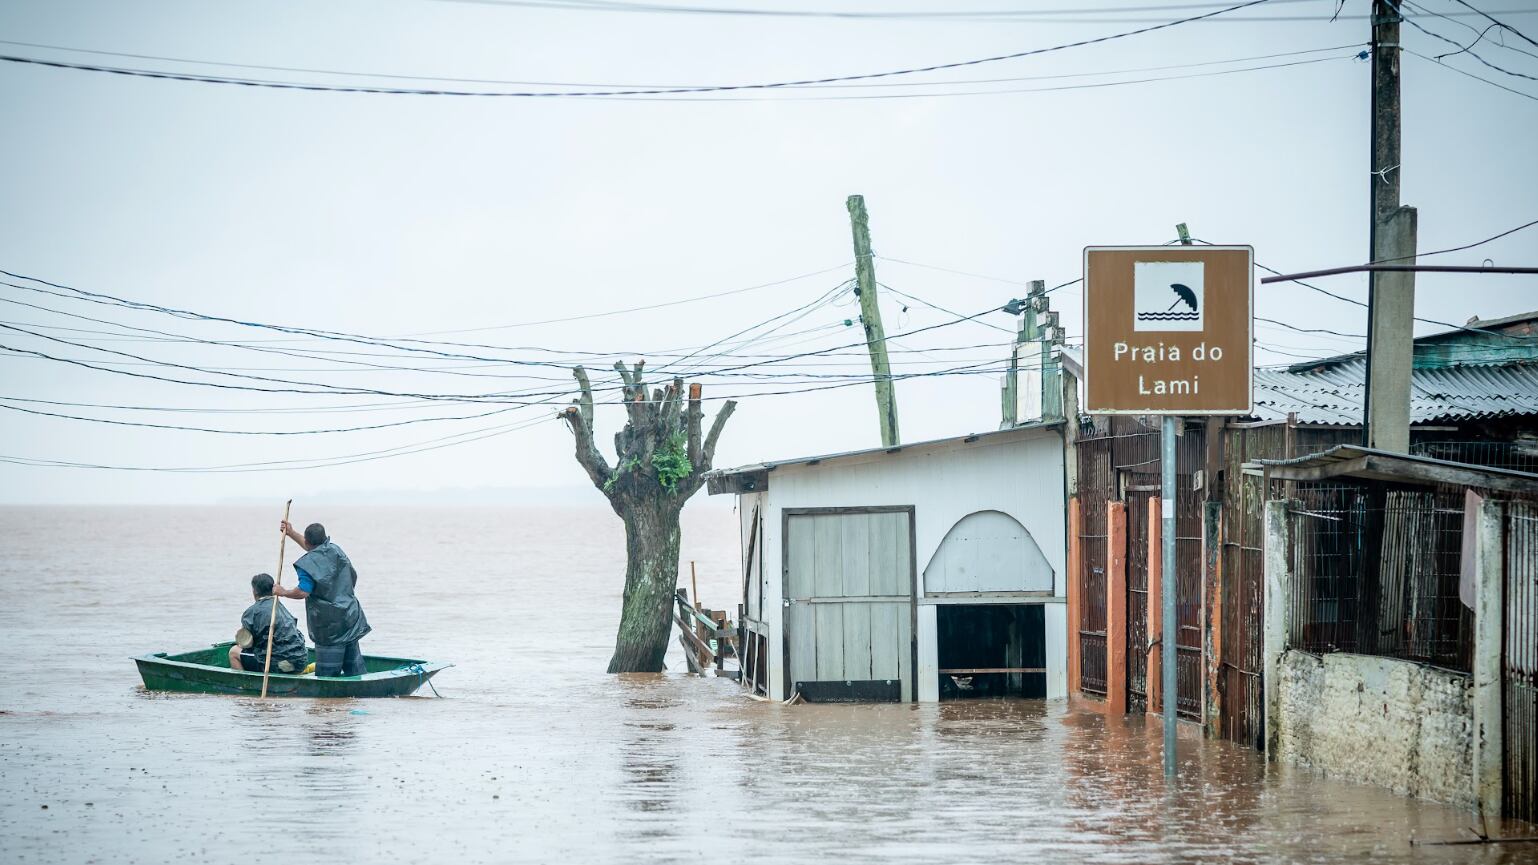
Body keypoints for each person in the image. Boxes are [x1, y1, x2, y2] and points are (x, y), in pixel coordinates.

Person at [271, 520, 372, 677]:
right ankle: (359, 699)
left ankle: (326, 700)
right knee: (355, 671)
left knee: (327, 675)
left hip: (329, 627)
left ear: (307, 541)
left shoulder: (308, 565)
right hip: (350, 617)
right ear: (325, 538)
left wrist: (283, 592)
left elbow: (303, 592)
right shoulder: (336, 550)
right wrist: (291, 533)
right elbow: (352, 575)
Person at [230, 573, 310, 674]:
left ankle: (243, 686)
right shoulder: (281, 608)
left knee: (233, 652)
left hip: (276, 664)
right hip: (299, 662)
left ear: (254, 592)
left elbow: (246, 643)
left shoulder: (251, 612)